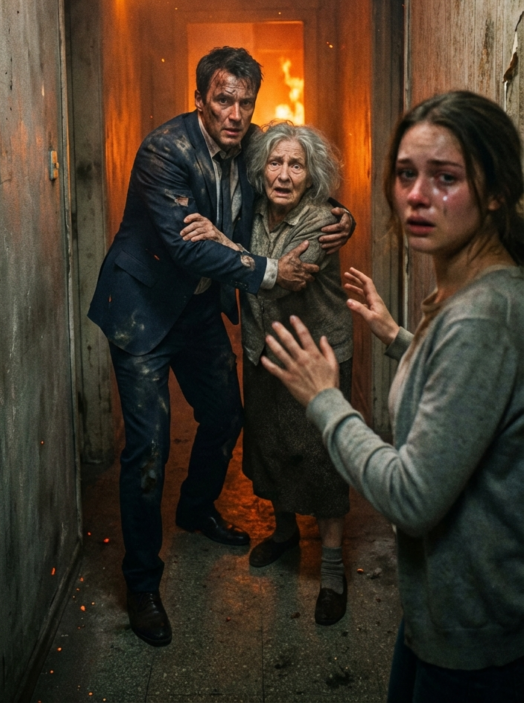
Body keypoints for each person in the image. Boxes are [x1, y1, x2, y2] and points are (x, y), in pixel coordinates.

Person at [261, 90, 524, 702]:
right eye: (406, 174)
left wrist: (326, 400)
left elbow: (410, 497)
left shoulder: (483, 315)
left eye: (446, 177)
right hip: (439, 607)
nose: (417, 195)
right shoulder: (467, 295)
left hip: (477, 634)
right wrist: (400, 337)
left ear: (495, 192)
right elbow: (465, 399)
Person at [88, 46, 355, 647]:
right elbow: (186, 246)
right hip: (143, 310)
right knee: (149, 449)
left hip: (198, 308)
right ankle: (142, 583)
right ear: (200, 99)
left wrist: (341, 216)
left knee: (226, 415)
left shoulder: (253, 142)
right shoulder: (163, 151)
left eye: (245, 102)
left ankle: (196, 507)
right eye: (223, 100)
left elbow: (298, 182)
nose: (235, 114)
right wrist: (268, 270)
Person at [181, 120, 353, 625]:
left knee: (323, 460)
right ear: (261, 170)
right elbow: (249, 264)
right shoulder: (251, 212)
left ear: (311, 175)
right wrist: (228, 242)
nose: (283, 174)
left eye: (296, 165)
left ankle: (332, 570)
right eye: (275, 162)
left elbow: (279, 278)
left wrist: (219, 241)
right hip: (264, 351)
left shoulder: (321, 222)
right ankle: (285, 532)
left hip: (316, 358)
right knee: (270, 447)